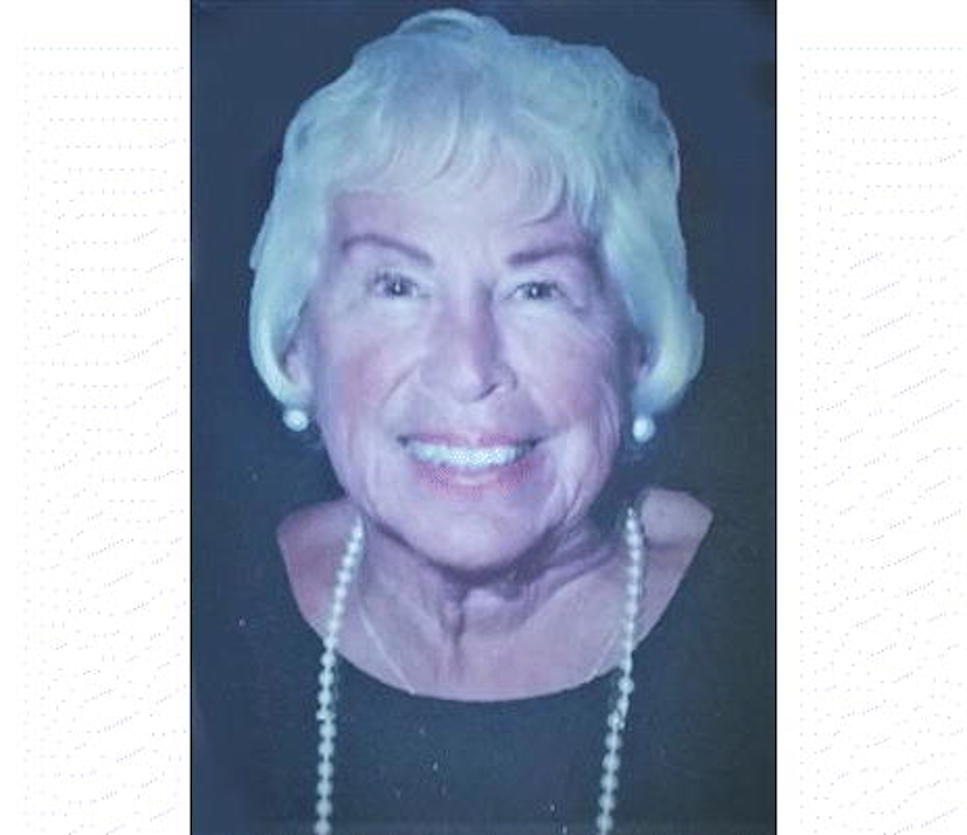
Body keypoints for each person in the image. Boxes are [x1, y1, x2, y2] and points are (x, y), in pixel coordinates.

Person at [222, 8, 773, 834]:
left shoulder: (772, 625)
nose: (468, 367)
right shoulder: (198, 611)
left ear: (635, 341)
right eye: (397, 286)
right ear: (298, 341)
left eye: (536, 289)